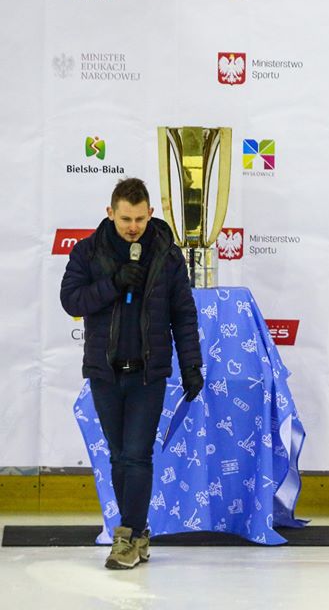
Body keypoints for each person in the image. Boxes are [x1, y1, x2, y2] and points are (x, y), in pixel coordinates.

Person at [60, 178, 204, 569]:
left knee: (137, 455)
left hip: (148, 373)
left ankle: (126, 537)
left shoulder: (167, 254)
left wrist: (191, 365)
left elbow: (183, 314)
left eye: (140, 219)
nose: (133, 227)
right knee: (119, 456)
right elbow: (71, 299)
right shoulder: (88, 251)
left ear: (150, 214)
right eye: (126, 219)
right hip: (105, 372)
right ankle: (138, 534)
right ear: (111, 213)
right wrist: (113, 283)